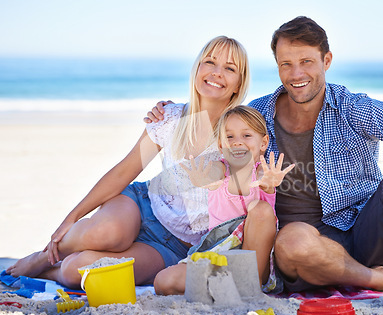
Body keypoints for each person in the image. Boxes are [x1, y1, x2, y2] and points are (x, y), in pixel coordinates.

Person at [146, 17, 383, 315]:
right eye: (286, 64)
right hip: (299, 248)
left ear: (327, 60)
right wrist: (173, 114)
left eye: (306, 61)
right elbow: (222, 138)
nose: (296, 74)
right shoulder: (259, 114)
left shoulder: (351, 106)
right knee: (292, 241)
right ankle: (382, 279)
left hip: (365, 232)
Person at [6, 36, 251, 289]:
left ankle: (52, 270)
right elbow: (126, 170)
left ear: (238, 84)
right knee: (106, 233)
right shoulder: (169, 117)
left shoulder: (241, 134)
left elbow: (245, 189)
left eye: (230, 68)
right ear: (198, 68)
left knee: (75, 271)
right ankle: (44, 256)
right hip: (142, 203)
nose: (216, 72)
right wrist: (73, 217)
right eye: (209, 61)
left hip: (175, 244)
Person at [154, 105, 294, 295]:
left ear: (263, 143)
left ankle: (250, 283)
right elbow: (212, 174)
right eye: (229, 137)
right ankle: (229, 286)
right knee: (164, 281)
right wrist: (202, 179)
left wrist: (269, 182)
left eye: (246, 136)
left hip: (255, 257)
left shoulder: (262, 172)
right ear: (220, 145)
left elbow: (264, 179)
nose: (237, 142)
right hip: (220, 252)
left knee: (260, 208)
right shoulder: (220, 169)